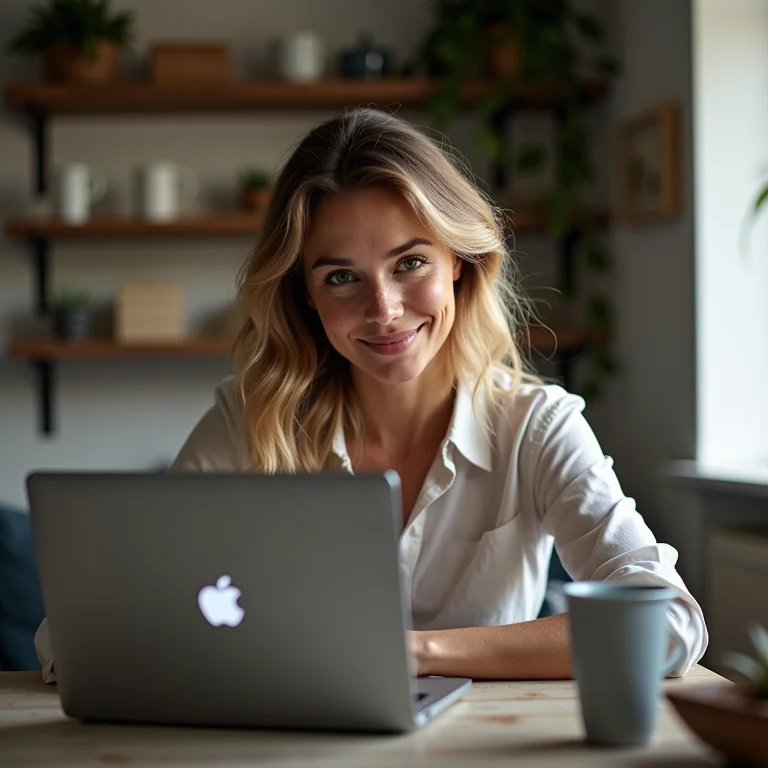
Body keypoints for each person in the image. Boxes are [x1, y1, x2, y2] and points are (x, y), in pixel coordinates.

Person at [34, 107, 707, 683]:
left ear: (459, 264)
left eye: (410, 262)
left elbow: (670, 623)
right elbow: (69, 640)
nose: (383, 309)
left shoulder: (537, 426)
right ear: (305, 296)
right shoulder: (252, 419)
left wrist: (418, 655)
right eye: (341, 278)